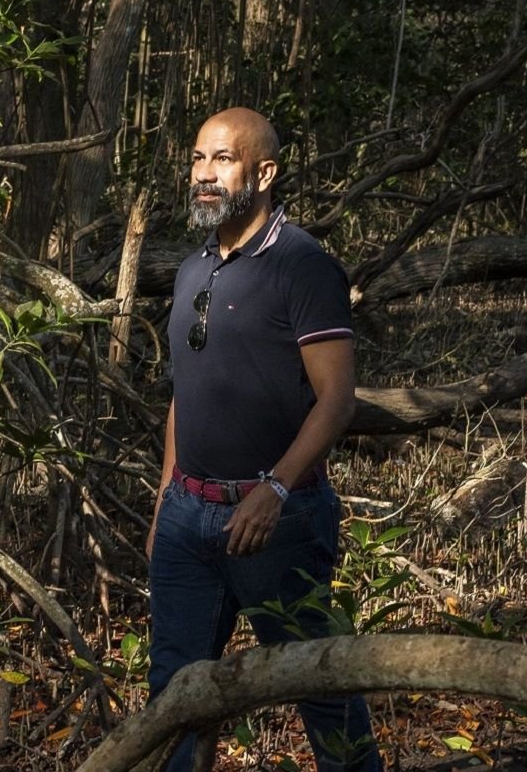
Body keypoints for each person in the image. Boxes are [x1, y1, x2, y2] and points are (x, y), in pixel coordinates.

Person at [145, 107, 383, 772]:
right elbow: (183, 392)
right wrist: (167, 495)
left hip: (277, 522)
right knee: (174, 699)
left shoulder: (303, 267)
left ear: (264, 171)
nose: (203, 174)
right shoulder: (193, 267)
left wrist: (274, 489)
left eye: (221, 159)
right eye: (197, 159)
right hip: (188, 522)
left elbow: (337, 400)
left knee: (322, 689)